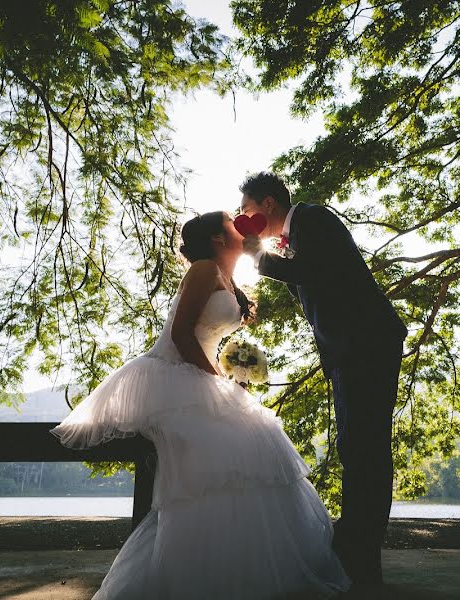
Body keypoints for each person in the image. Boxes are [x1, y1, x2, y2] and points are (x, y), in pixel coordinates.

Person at [49, 211, 351, 599]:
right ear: (217, 239)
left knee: (260, 439)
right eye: (230, 221)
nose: (238, 222)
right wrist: (216, 379)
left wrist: (233, 368)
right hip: (172, 373)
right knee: (224, 450)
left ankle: (248, 563)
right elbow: (180, 334)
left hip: (201, 373)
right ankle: (199, 569)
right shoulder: (204, 269)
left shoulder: (228, 278)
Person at [239, 172, 407, 592]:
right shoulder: (295, 239)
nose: (245, 216)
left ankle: (362, 555)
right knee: (357, 447)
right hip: (350, 354)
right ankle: (356, 550)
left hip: (367, 347)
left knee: (366, 448)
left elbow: (314, 272)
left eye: (247, 209)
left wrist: (255, 256)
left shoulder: (314, 219)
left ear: (269, 204)